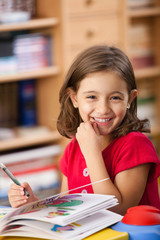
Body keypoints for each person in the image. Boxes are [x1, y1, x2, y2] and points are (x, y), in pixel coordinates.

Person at [8, 45, 160, 215]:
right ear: (74, 98)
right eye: (91, 97)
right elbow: (67, 209)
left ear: (130, 99)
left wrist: (92, 154)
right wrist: (33, 205)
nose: (103, 109)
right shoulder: (73, 149)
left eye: (115, 98)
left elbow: (118, 210)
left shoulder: (135, 145)